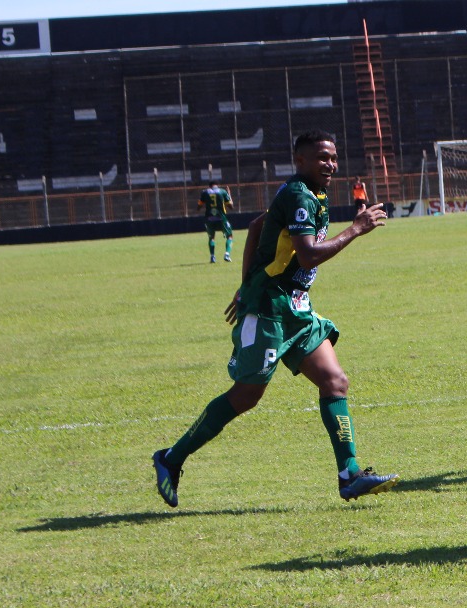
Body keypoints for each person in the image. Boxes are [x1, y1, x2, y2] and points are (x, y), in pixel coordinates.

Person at [153, 130, 397, 508]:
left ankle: (349, 474)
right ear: (299, 161)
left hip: (295, 306)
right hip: (269, 307)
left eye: (333, 157)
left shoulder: (311, 193)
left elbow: (255, 227)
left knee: (335, 380)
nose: (330, 164)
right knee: (247, 396)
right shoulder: (299, 193)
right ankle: (170, 458)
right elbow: (308, 255)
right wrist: (355, 229)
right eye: (321, 158)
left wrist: (244, 281)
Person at [198, 180, 233, 263]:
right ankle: (227, 254)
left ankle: (212, 257)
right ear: (217, 185)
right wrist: (229, 194)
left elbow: (199, 207)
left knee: (211, 238)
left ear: (209, 186)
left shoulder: (205, 192)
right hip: (221, 218)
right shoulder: (222, 191)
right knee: (230, 236)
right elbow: (231, 206)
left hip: (209, 219)